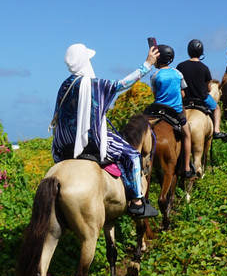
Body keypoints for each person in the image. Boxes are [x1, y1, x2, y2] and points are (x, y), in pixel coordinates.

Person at [52, 42, 159, 218]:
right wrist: (147, 64)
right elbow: (123, 84)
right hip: (90, 141)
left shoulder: (64, 86)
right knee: (132, 154)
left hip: (63, 145)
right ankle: (138, 202)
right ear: (85, 62)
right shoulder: (95, 85)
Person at [148, 45, 195, 179]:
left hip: (158, 111)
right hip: (176, 111)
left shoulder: (154, 75)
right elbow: (183, 93)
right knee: (187, 134)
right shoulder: (178, 73)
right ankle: (186, 167)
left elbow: (155, 94)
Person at [177, 39, 227, 142]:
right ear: (201, 52)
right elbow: (209, 88)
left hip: (184, 100)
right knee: (217, 109)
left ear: (189, 51)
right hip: (201, 99)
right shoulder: (204, 68)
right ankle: (216, 131)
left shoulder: (181, 66)